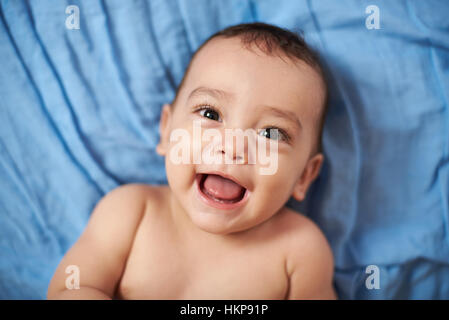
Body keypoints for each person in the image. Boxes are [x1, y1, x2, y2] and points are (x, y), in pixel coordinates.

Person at [47, 22, 337, 300]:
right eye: (210, 114)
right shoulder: (131, 213)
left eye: (271, 133)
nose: (232, 146)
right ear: (167, 130)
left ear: (304, 176)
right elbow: (71, 289)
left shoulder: (300, 251)